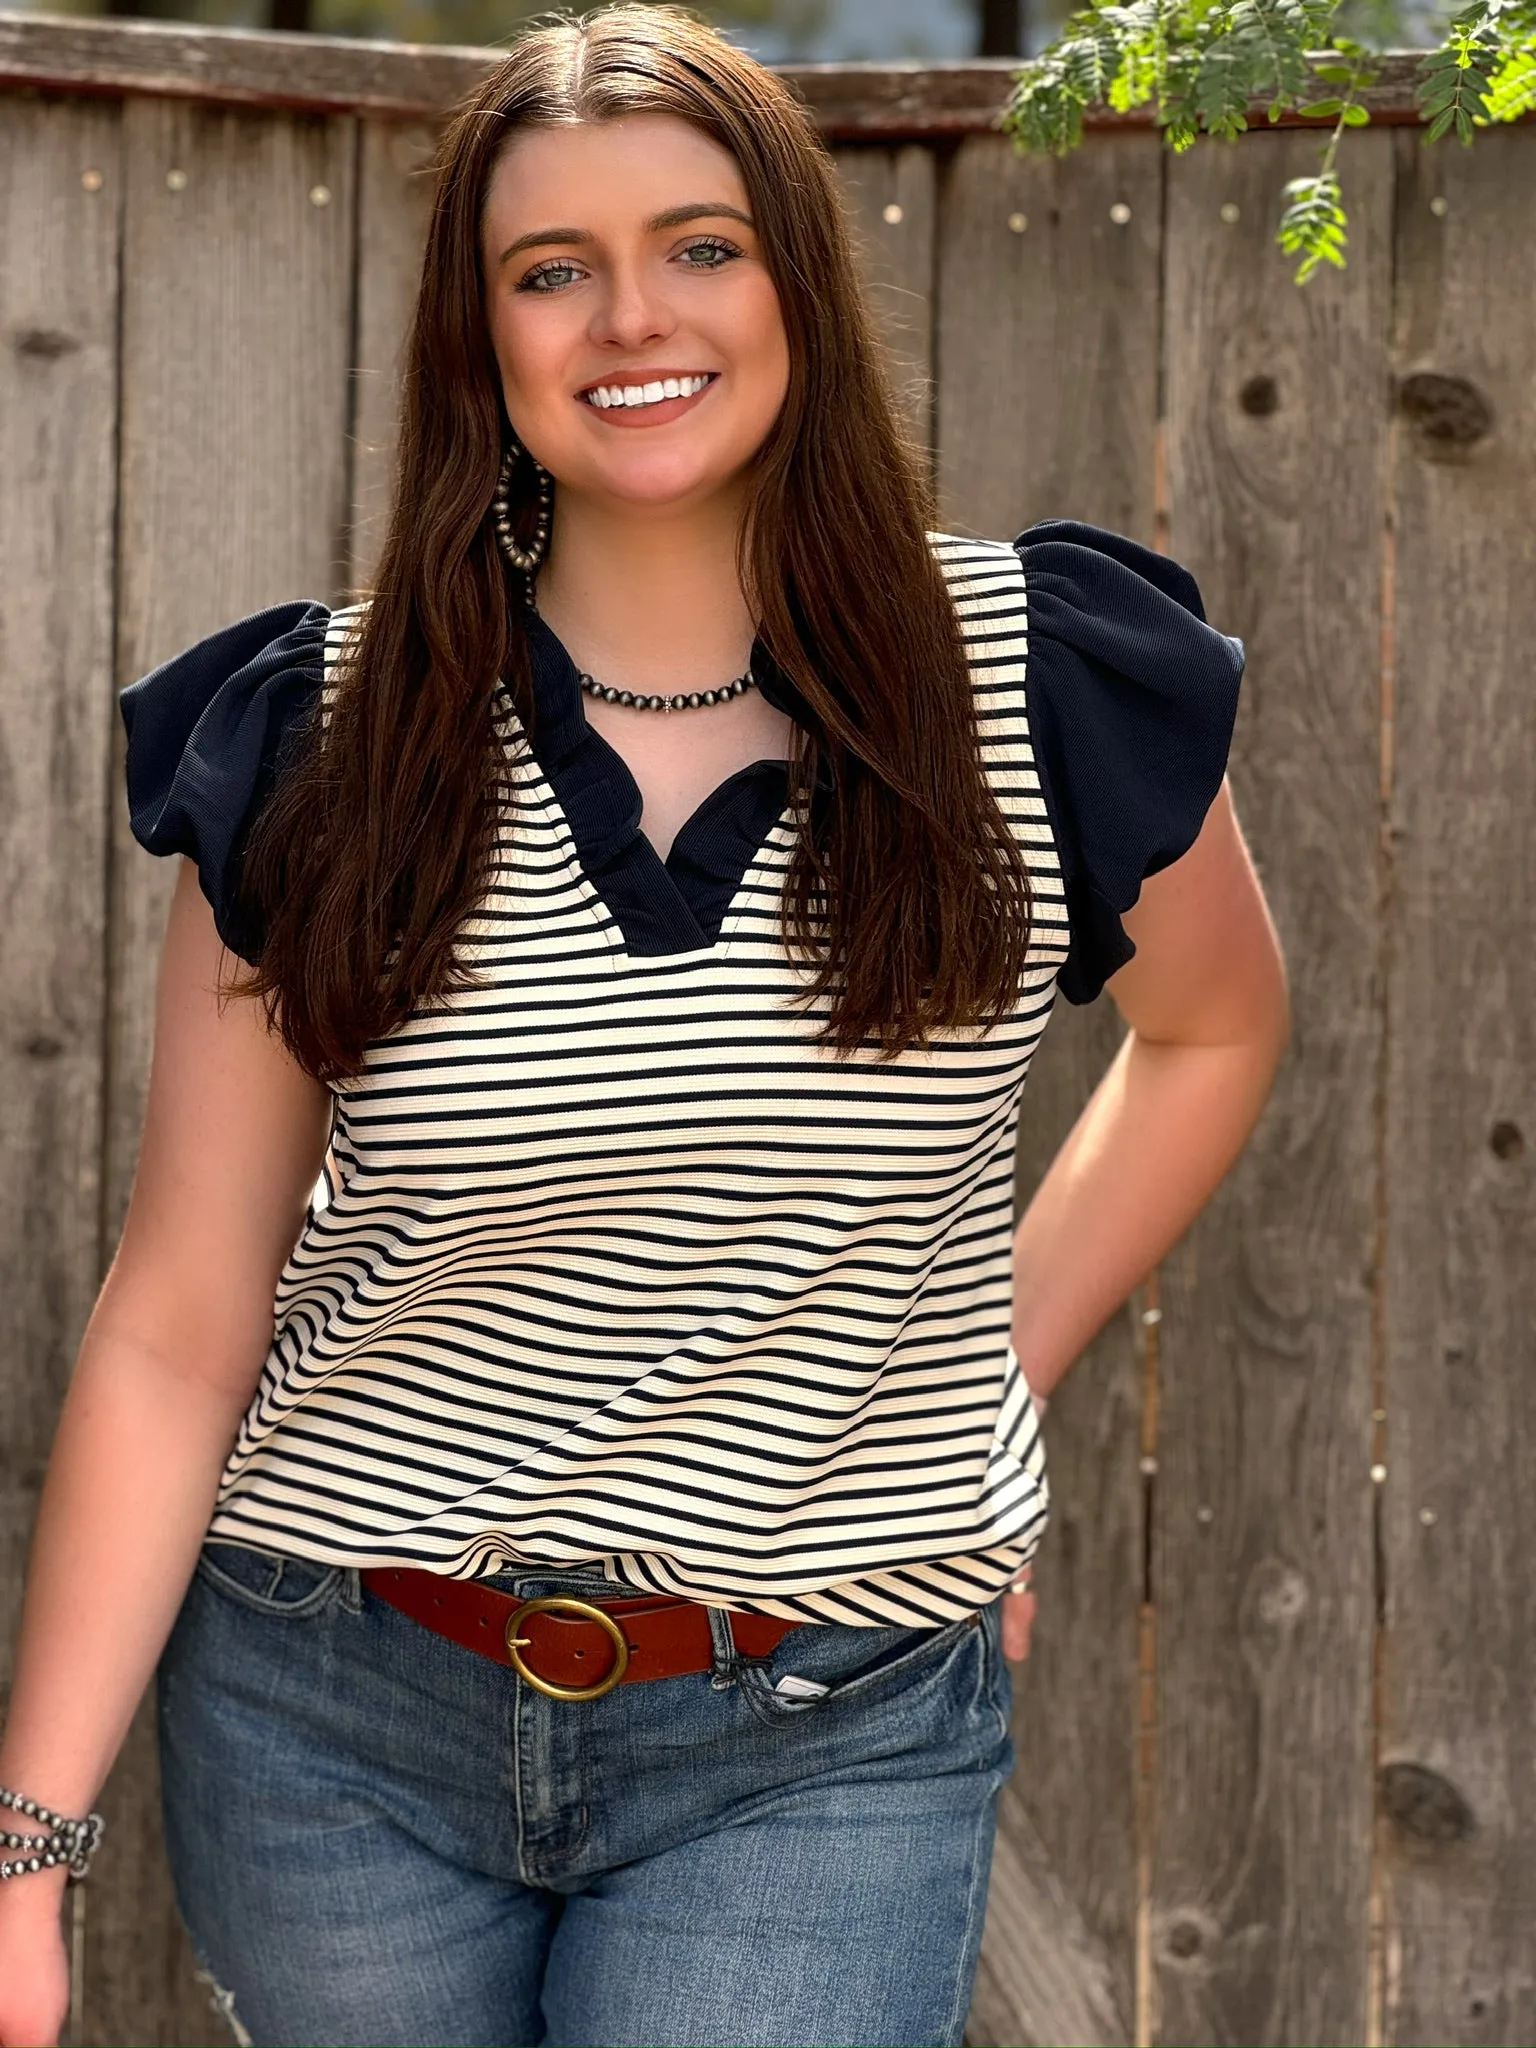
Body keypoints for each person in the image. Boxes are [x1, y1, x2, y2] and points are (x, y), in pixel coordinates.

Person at [0, 7, 1288, 2045]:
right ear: (481, 336)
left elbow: (1219, 1029)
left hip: (826, 1724)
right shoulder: (316, 740)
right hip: (334, 1706)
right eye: (551, 269)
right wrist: (26, 1848)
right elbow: (178, 1313)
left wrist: (981, 1365)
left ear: (795, 278)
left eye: (698, 243)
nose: (630, 317)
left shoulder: (1042, 679)